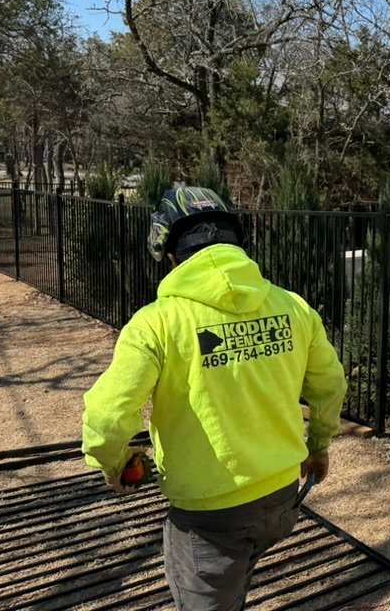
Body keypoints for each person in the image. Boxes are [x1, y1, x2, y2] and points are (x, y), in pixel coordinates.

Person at [81, 184, 347, 610]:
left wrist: (114, 464)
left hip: (207, 520)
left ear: (170, 256)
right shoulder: (293, 307)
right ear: (236, 243)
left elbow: (107, 419)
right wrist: (317, 447)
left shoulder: (157, 323)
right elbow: (330, 385)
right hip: (281, 499)